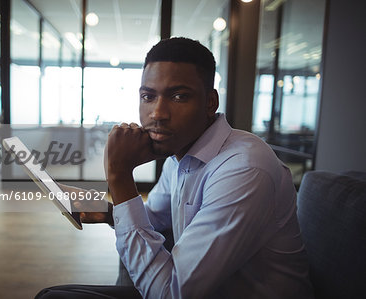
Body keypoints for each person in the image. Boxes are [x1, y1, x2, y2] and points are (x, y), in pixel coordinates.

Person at [36, 37, 314, 299]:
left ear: (210, 102)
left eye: (179, 96)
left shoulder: (245, 170)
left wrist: (120, 175)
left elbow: (171, 293)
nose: (157, 113)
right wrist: (109, 211)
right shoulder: (180, 154)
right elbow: (155, 220)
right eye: (148, 96)